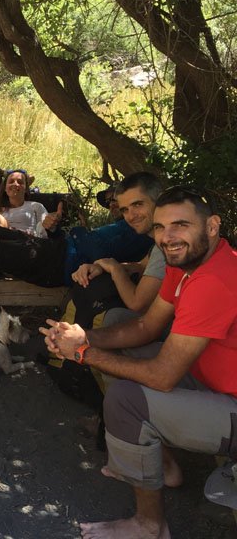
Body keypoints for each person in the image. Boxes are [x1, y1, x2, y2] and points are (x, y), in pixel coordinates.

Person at [41, 186, 237, 539]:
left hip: (230, 403)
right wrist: (84, 336)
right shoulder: (186, 263)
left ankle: (150, 527)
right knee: (119, 336)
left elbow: (162, 377)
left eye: (180, 225)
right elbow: (146, 326)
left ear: (212, 226)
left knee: (126, 400)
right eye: (160, 227)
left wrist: (82, 353)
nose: (167, 237)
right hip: (209, 381)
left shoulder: (216, 279)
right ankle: (162, 466)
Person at [0, 169, 154, 292]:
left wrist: (80, 233)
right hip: (57, 247)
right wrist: (54, 229)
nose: (128, 213)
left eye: (137, 205)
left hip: (60, 264)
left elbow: (101, 253)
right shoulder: (125, 226)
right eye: (121, 206)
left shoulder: (145, 237)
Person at [70, 173, 165, 328]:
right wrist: (102, 266)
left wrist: (115, 268)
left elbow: (137, 303)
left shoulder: (169, 246)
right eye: (125, 210)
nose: (131, 216)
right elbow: (140, 266)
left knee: (111, 312)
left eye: (137, 205)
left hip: (176, 325)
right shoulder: (157, 244)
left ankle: (78, 339)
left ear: (160, 201)